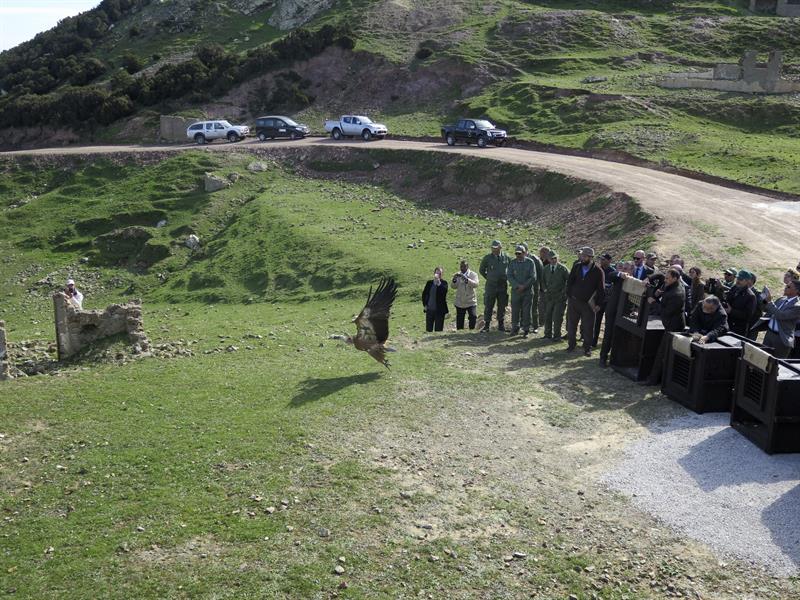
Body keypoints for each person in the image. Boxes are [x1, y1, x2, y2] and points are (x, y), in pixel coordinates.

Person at [642, 268, 686, 386]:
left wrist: (654, 302)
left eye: (668, 278)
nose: (665, 280)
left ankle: (653, 380)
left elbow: (667, 311)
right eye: (666, 278)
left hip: (673, 326)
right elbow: (660, 276)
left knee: (663, 353)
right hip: (670, 324)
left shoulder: (677, 293)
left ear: (675, 278)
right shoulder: (672, 286)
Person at [566, 247, 605, 356]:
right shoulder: (577, 266)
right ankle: (571, 345)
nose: (581, 258)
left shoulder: (598, 271)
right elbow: (570, 282)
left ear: (590, 257)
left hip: (588, 304)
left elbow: (601, 289)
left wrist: (598, 304)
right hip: (574, 302)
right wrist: (569, 295)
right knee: (571, 325)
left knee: (588, 327)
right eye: (581, 256)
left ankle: (587, 348)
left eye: (584, 256)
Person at [598, 260, 632, 367]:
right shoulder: (618, 277)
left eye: (626, 269)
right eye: (623, 268)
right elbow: (610, 275)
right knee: (608, 334)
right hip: (612, 311)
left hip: (624, 313)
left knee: (619, 336)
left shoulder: (634, 281)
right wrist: (620, 273)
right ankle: (603, 358)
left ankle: (614, 359)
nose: (624, 270)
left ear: (632, 270)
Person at [762, 279, 800, 359]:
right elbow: (769, 309)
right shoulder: (781, 299)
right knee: (762, 360)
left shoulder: (797, 306)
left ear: (797, 291)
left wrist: (769, 302)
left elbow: (781, 316)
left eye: (789, 286)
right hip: (769, 334)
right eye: (786, 285)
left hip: (781, 339)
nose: (785, 287)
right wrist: (764, 300)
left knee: (776, 365)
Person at [479, 240, 510, 332]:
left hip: (502, 286)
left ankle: (501, 325)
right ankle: (486, 326)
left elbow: (512, 268)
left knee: (501, 305)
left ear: (500, 248)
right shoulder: (487, 258)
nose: (494, 250)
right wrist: (489, 278)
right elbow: (481, 270)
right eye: (492, 248)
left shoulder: (506, 257)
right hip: (491, 286)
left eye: (496, 248)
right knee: (489, 305)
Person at [507, 245, 537, 336]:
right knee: (515, 310)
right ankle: (515, 328)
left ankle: (526, 329)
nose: (518, 255)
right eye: (516, 253)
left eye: (520, 253)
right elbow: (509, 275)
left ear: (524, 253)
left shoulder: (530, 262)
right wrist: (517, 286)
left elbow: (533, 277)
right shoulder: (512, 263)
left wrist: (524, 286)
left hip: (527, 291)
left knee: (526, 311)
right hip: (516, 291)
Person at [541, 251, 570, 341]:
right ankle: (547, 334)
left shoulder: (563, 269)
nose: (553, 260)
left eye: (555, 258)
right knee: (548, 316)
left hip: (560, 297)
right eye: (551, 258)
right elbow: (542, 280)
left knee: (557, 317)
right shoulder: (545, 269)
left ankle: (557, 336)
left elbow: (568, 281)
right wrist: (545, 289)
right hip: (549, 297)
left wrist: (563, 292)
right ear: (548, 259)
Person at [724, 270, 756, 337]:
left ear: (747, 281)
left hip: (737, 329)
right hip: (726, 323)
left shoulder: (750, 296)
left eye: (741, 279)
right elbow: (727, 301)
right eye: (738, 278)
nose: (738, 281)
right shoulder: (734, 288)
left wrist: (731, 311)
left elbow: (748, 316)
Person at [594, 252, 615, 348]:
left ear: (609, 261)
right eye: (601, 259)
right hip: (598, 301)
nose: (601, 261)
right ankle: (593, 341)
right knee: (596, 321)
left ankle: (606, 343)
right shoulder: (597, 270)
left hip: (608, 301)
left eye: (604, 259)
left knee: (608, 323)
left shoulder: (613, 272)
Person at [451, 260, 480, 330]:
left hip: (471, 301)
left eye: (464, 266)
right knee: (460, 319)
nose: (462, 268)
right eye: (461, 266)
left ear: (467, 267)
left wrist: (467, 279)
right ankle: (459, 332)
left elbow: (476, 284)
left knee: (473, 316)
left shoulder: (473, 274)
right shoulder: (457, 274)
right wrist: (454, 279)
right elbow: (453, 286)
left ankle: (471, 330)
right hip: (460, 301)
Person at [422, 267, 449, 332]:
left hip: (439, 311)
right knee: (428, 330)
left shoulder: (444, 283)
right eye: (437, 273)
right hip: (429, 310)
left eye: (440, 273)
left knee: (438, 330)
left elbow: (444, 292)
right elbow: (424, 294)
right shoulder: (429, 283)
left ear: (442, 275)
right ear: (434, 273)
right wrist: (425, 305)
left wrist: (439, 283)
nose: (438, 275)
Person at [538, 246, 552, 327]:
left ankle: (548, 322)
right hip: (540, 287)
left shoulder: (550, 262)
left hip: (549, 288)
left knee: (548, 306)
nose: (543, 254)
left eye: (545, 252)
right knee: (541, 305)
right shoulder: (538, 261)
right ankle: (541, 322)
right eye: (542, 252)